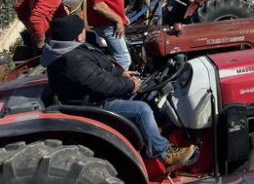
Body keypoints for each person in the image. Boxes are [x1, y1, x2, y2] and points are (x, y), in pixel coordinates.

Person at [40, 15, 196, 166]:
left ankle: (160, 134)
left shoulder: (68, 50)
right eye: (82, 30)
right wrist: (130, 86)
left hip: (91, 97)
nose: (84, 32)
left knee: (151, 94)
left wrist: (121, 73)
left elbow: (99, 66)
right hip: (93, 105)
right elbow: (102, 83)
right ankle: (162, 152)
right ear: (77, 36)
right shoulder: (72, 60)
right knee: (141, 110)